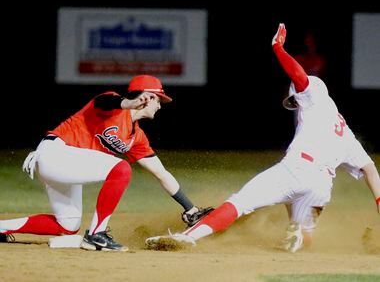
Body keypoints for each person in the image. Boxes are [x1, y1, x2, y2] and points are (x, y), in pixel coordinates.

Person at [145, 24, 380, 253]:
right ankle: (297, 236)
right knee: (303, 231)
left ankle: (187, 238)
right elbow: (370, 168)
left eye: (295, 100)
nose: (296, 104)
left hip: (297, 169)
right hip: (321, 188)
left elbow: (299, 77)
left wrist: (278, 48)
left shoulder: (315, 96)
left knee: (239, 202)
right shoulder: (345, 131)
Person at [0, 75, 213, 251]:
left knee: (67, 224)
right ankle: (96, 234)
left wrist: (190, 208)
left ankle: (2, 227)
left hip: (67, 165)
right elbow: (106, 102)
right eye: (158, 100)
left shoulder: (136, 137)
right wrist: (128, 103)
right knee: (120, 169)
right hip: (55, 152)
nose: (160, 105)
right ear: (147, 97)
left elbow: (161, 173)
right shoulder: (111, 103)